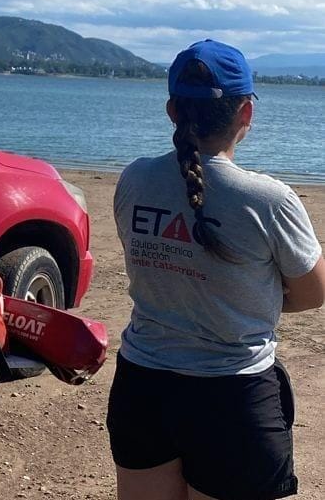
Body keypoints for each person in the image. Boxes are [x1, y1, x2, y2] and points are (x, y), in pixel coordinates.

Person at [107, 39, 325, 500]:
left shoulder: (134, 179)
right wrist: (247, 298)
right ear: (246, 112)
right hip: (234, 395)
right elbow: (313, 292)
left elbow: (147, 267)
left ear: (172, 110)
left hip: (142, 386)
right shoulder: (269, 200)